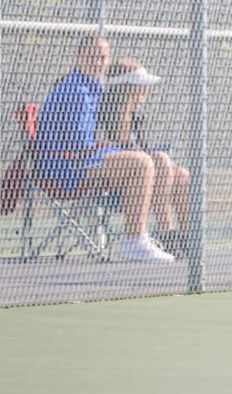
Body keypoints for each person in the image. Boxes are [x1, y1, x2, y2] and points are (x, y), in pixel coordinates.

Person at [32, 34, 174, 263]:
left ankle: (164, 236)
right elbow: (79, 145)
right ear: (77, 57)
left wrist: (108, 148)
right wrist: (109, 149)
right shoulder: (75, 90)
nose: (97, 62)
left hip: (80, 161)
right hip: (64, 168)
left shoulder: (92, 88)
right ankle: (133, 240)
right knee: (141, 162)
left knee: (153, 160)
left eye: (102, 57)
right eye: (91, 56)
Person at [94, 60, 190, 258]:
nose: (145, 90)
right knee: (161, 160)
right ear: (125, 87)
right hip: (116, 185)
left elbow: (143, 150)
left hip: (145, 178)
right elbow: (114, 151)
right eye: (140, 85)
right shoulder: (103, 112)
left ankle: (187, 238)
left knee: (181, 175)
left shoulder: (137, 115)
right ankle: (166, 233)